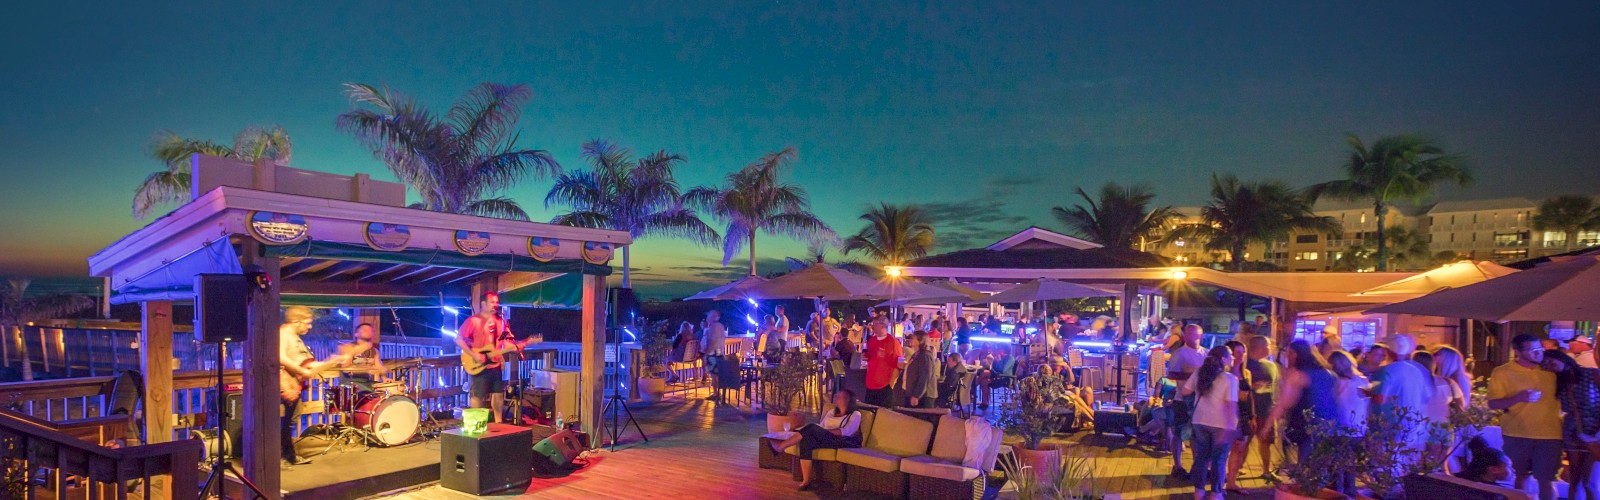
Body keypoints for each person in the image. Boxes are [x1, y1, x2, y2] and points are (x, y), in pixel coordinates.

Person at [1488, 334, 1562, 500]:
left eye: (1540, 348)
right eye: (1532, 350)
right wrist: (1518, 398)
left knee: (1547, 480)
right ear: (1517, 352)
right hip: (1517, 433)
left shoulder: (1552, 370)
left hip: (1550, 434)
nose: (1538, 353)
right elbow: (1493, 404)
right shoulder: (1502, 372)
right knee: (1521, 477)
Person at [767, 390, 865, 490]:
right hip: (825, 437)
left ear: (848, 400)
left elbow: (847, 431)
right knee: (807, 440)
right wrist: (820, 431)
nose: (836, 398)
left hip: (841, 441)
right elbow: (821, 426)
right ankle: (806, 481)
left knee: (812, 427)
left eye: (840, 397)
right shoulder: (831, 412)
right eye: (837, 396)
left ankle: (781, 446)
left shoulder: (855, 414)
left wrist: (823, 431)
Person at [1261, 340, 1338, 467]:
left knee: (1305, 466)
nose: (1287, 357)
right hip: (1330, 423)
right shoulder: (1328, 373)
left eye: (1289, 353)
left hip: (1307, 424)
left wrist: (1267, 426)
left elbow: (1284, 403)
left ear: (1296, 354)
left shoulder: (1297, 375)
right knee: (1324, 466)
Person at [1182, 346, 1239, 500]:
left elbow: (1185, 391)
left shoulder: (1199, 373)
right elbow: (1230, 405)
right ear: (1223, 359)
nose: (1233, 358)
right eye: (1230, 355)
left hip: (1200, 420)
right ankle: (1216, 493)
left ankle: (1198, 491)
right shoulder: (1230, 379)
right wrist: (1231, 426)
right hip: (1220, 424)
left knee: (1201, 457)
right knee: (1219, 460)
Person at [456, 292, 521, 423]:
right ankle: (475, 422)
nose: (495, 305)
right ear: (483, 304)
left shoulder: (499, 322)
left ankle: (499, 422)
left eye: (497, 302)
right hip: (478, 364)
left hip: (495, 364)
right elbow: (458, 339)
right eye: (492, 302)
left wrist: (505, 355)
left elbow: (499, 343)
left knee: (498, 394)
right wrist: (474, 354)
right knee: (478, 395)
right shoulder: (473, 321)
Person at [1545, 349, 1600, 500]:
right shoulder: (1559, 382)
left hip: (1595, 431)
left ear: (1561, 358)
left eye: (1551, 360)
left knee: (1590, 481)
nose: (1549, 365)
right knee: (1575, 479)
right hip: (1573, 431)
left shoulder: (1591, 373)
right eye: (1545, 364)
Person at [277, 306, 318, 466]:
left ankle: (287, 455)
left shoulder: (294, 336)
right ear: (296, 321)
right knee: (281, 421)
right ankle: (281, 456)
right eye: (307, 323)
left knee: (290, 420)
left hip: (295, 383)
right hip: (284, 383)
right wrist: (300, 371)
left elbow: (303, 359)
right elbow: (279, 357)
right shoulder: (283, 334)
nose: (310, 326)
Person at [1165, 324, 1208, 478]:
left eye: (1196, 334)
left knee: (1197, 435)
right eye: (1190, 334)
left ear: (1201, 336)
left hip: (1200, 400)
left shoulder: (1206, 353)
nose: (1193, 337)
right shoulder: (1180, 353)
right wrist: (1193, 376)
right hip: (1182, 399)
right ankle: (1178, 466)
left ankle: (1197, 466)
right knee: (1178, 433)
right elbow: (1171, 375)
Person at [1243, 335, 1279, 482]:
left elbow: (1275, 386)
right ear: (1258, 347)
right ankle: (1238, 467)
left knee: (1266, 441)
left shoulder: (1271, 366)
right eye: (1268, 345)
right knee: (1243, 441)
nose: (1270, 348)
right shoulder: (1244, 365)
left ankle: (1266, 470)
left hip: (1266, 409)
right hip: (1248, 411)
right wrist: (1252, 387)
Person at [1222, 340, 1254, 493]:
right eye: (1237, 353)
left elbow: (1250, 396)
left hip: (1243, 414)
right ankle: (1218, 481)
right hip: (1227, 414)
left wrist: (1252, 416)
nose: (1241, 356)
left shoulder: (1246, 373)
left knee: (1239, 448)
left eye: (1243, 352)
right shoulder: (1224, 374)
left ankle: (1231, 482)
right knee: (1223, 448)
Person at [864, 316, 903, 407]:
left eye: (875, 324)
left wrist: (890, 385)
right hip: (870, 384)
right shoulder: (872, 341)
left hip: (884, 386)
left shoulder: (893, 343)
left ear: (882, 326)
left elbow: (897, 365)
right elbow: (870, 357)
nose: (872, 326)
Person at [341, 322, 385, 394]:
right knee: (368, 393)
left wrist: (385, 378)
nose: (368, 331)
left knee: (385, 390)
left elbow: (379, 367)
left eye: (370, 330)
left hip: (366, 382)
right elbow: (346, 369)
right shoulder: (349, 347)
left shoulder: (375, 351)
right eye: (365, 330)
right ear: (356, 334)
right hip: (350, 383)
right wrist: (367, 369)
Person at [903, 330, 938, 408]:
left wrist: (916, 395)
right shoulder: (916, 354)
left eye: (913, 338)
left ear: (920, 341)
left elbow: (924, 377)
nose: (911, 339)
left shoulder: (925, 356)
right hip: (914, 393)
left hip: (924, 396)